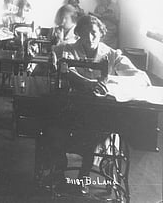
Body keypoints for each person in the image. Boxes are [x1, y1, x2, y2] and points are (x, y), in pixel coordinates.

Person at [42, 16, 151, 195]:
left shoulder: (112, 54)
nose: (90, 38)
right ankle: (59, 173)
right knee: (54, 131)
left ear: (101, 33)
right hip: (70, 111)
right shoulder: (65, 50)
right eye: (84, 34)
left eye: (94, 33)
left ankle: (83, 177)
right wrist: (87, 82)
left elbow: (140, 77)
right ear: (77, 34)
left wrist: (112, 81)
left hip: (100, 115)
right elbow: (62, 67)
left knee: (94, 137)